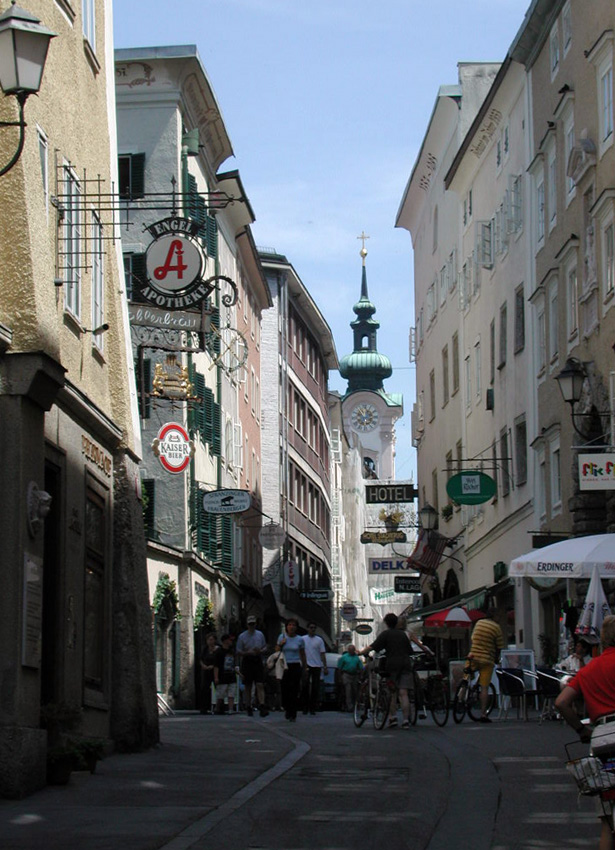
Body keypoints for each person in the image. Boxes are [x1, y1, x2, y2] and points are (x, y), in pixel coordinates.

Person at [556, 615, 615, 850]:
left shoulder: (589, 670)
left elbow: (561, 702)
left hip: (601, 739)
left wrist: (582, 730)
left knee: (607, 821)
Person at [357, 612, 414, 729]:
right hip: (405, 664)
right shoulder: (403, 634)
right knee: (403, 693)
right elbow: (410, 651)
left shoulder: (386, 634)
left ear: (387, 623)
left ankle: (393, 718)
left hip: (392, 665)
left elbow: (373, 646)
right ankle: (405, 720)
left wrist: (361, 652)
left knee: (392, 692)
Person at [466, 607, 504, 723]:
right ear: (495, 616)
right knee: (484, 687)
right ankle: (483, 714)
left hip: (473, 656)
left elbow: (473, 638)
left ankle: (461, 698)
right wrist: (496, 659)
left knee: (466, 677)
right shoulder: (496, 628)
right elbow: (499, 646)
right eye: (498, 616)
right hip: (487, 660)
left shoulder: (479, 622)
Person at [236, 615, 269, 717]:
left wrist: (261, 651)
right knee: (248, 685)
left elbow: (265, 647)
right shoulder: (242, 636)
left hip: (257, 659)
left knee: (259, 684)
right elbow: (238, 651)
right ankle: (248, 705)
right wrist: (247, 652)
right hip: (247, 660)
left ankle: (262, 705)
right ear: (247, 625)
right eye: (250, 624)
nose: (252, 626)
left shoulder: (260, 635)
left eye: (253, 624)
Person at [276, 619, 306, 721]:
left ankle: (293, 713)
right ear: (286, 627)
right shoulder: (282, 637)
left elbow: (302, 654)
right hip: (284, 665)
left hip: (295, 664)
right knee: (285, 689)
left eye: (294, 625)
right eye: (289, 625)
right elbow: (276, 650)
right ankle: (287, 708)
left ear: (296, 627)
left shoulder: (300, 639)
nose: (291, 627)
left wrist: (305, 667)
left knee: (294, 689)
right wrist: (281, 644)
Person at [301, 622, 328, 715]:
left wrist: (325, 666)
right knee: (305, 686)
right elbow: (300, 652)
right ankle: (305, 707)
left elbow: (322, 654)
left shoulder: (319, 640)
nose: (312, 629)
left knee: (315, 687)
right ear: (307, 628)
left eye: (314, 628)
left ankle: (313, 707)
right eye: (311, 627)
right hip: (306, 664)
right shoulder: (303, 639)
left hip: (317, 665)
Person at [213, 633, 237, 715]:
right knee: (221, 694)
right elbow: (216, 666)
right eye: (230, 640)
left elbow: (233, 664)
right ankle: (217, 708)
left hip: (231, 675)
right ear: (225, 641)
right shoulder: (219, 652)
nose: (231, 642)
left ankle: (230, 709)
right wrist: (216, 677)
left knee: (231, 693)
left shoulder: (232, 651)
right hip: (222, 676)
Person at [336, 644, 364, 712]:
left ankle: (355, 705)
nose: (352, 652)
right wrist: (340, 678)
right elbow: (339, 668)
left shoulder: (357, 658)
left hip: (355, 675)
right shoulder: (344, 657)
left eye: (353, 650)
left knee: (355, 691)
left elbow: (361, 667)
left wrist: (361, 675)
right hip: (346, 675)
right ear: (348, 650)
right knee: (348, 691)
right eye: (351, 650)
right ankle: (349, 707)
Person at [199, 632, 219, 714]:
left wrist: (213, 666)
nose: (210, 642)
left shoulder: (218, 649)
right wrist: (203, 665)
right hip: (206, 671)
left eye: (211, 640)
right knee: (205, 689)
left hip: (215, 671)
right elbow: (201, 659)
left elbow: (219, 660)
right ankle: (204, 708)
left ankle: (219, 707)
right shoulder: (205, 649)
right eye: (208, 640)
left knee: (218, 688)